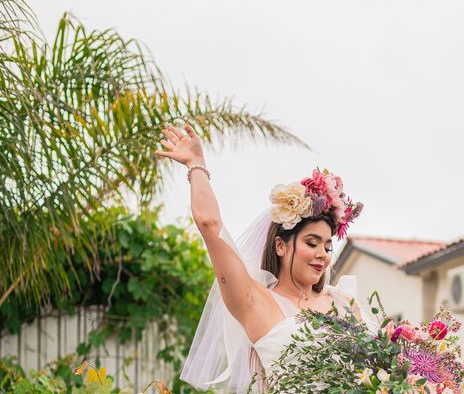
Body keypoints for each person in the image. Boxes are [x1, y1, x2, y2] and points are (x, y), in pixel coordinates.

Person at [155, 124, 373, 393]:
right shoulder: (256, 303)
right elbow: (210, 225)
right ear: (280, 246)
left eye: (328, 247)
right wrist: (196, 165)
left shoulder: (343, 302)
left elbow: (379, 373)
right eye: (311, 242)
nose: (321, 255)